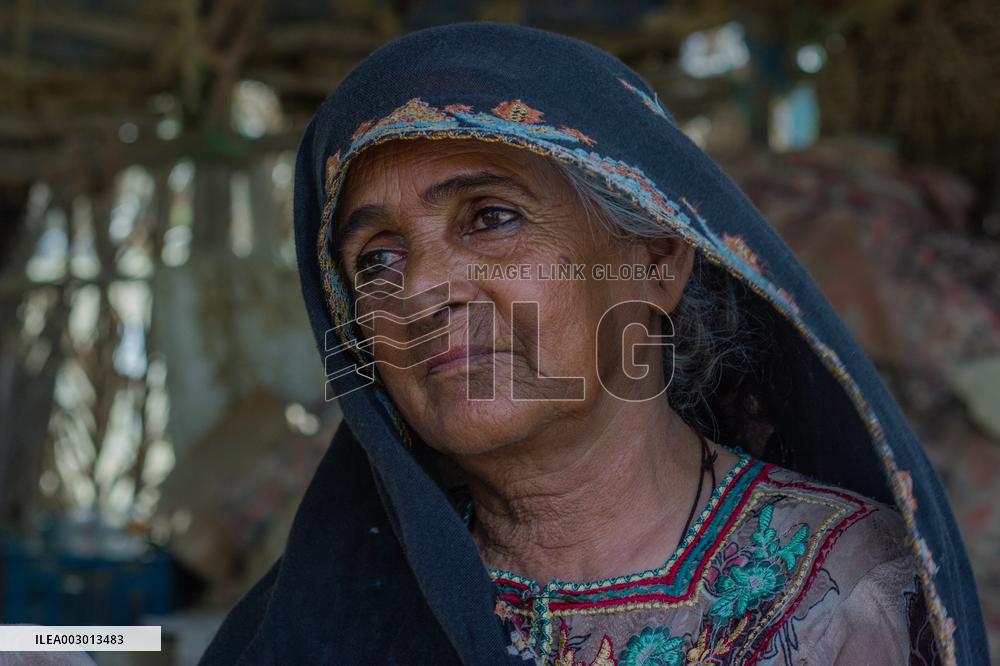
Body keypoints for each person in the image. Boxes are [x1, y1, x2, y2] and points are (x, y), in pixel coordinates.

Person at [201, 22, 988, 665]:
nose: (423, 291)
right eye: (376, 259)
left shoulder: (847, 597)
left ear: (654, 260)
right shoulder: (324, 607)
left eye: (490, 217)